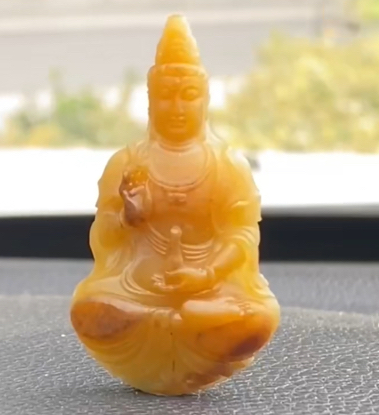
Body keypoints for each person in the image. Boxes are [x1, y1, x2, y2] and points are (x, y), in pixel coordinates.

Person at [70, 14, 280, 396]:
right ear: (151, 101)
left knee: (258, 318)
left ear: (205, 99)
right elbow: (103, 238)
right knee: (89, 308)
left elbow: (242, 234)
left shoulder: (227, 165)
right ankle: (179, 326)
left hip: (209, 291)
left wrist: (207, 275)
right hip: (136, 287)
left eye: (189, 94)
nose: (178, 106)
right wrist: (129, 218)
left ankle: (191, 320)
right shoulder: (128, 164)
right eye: (166, 95)